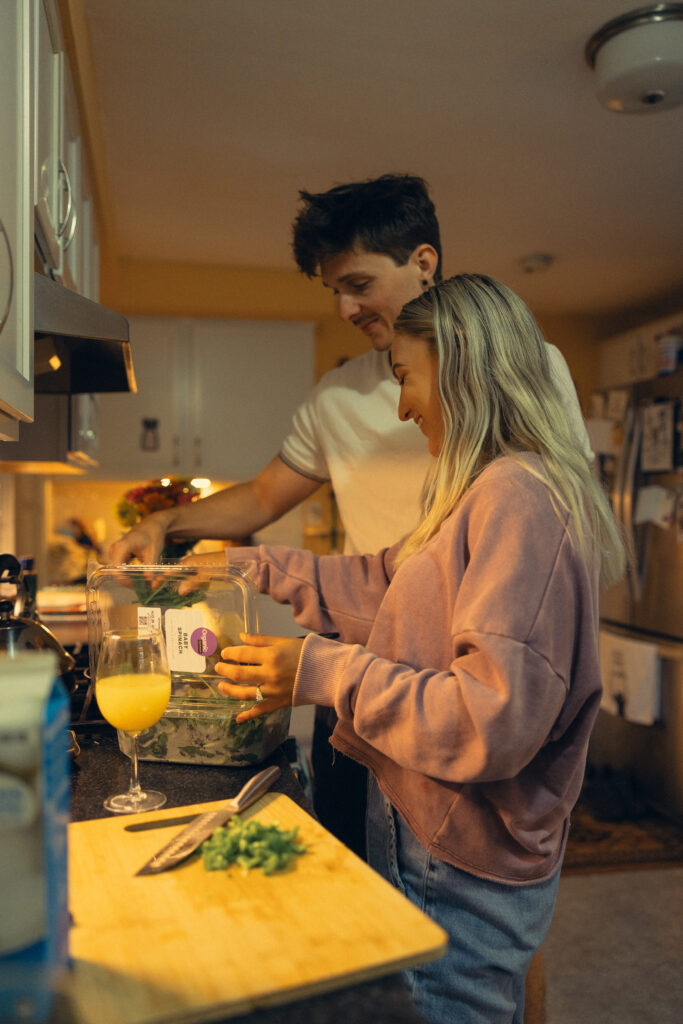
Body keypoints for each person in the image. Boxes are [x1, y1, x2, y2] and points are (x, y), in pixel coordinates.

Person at [108, 174, 592, 858]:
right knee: (371, 868)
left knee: (468, 889)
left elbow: (551, 553)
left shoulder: (522, 410)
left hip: (461, 685)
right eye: (332, 289)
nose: (343, 308)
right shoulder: (337, 395)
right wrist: (170, 525)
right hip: (354, 664)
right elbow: (269, 500)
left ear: (422, 262)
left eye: (358, 284)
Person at [192, 274, 625, 1024]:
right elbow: (381, 584)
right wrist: (242, 564)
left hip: (461, 856)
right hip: (429, 824)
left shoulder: (516, 499)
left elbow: (489, 719)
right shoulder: (479, 490)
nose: (401, 403)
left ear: (459, 366)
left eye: (405, 375)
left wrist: (321, 670)